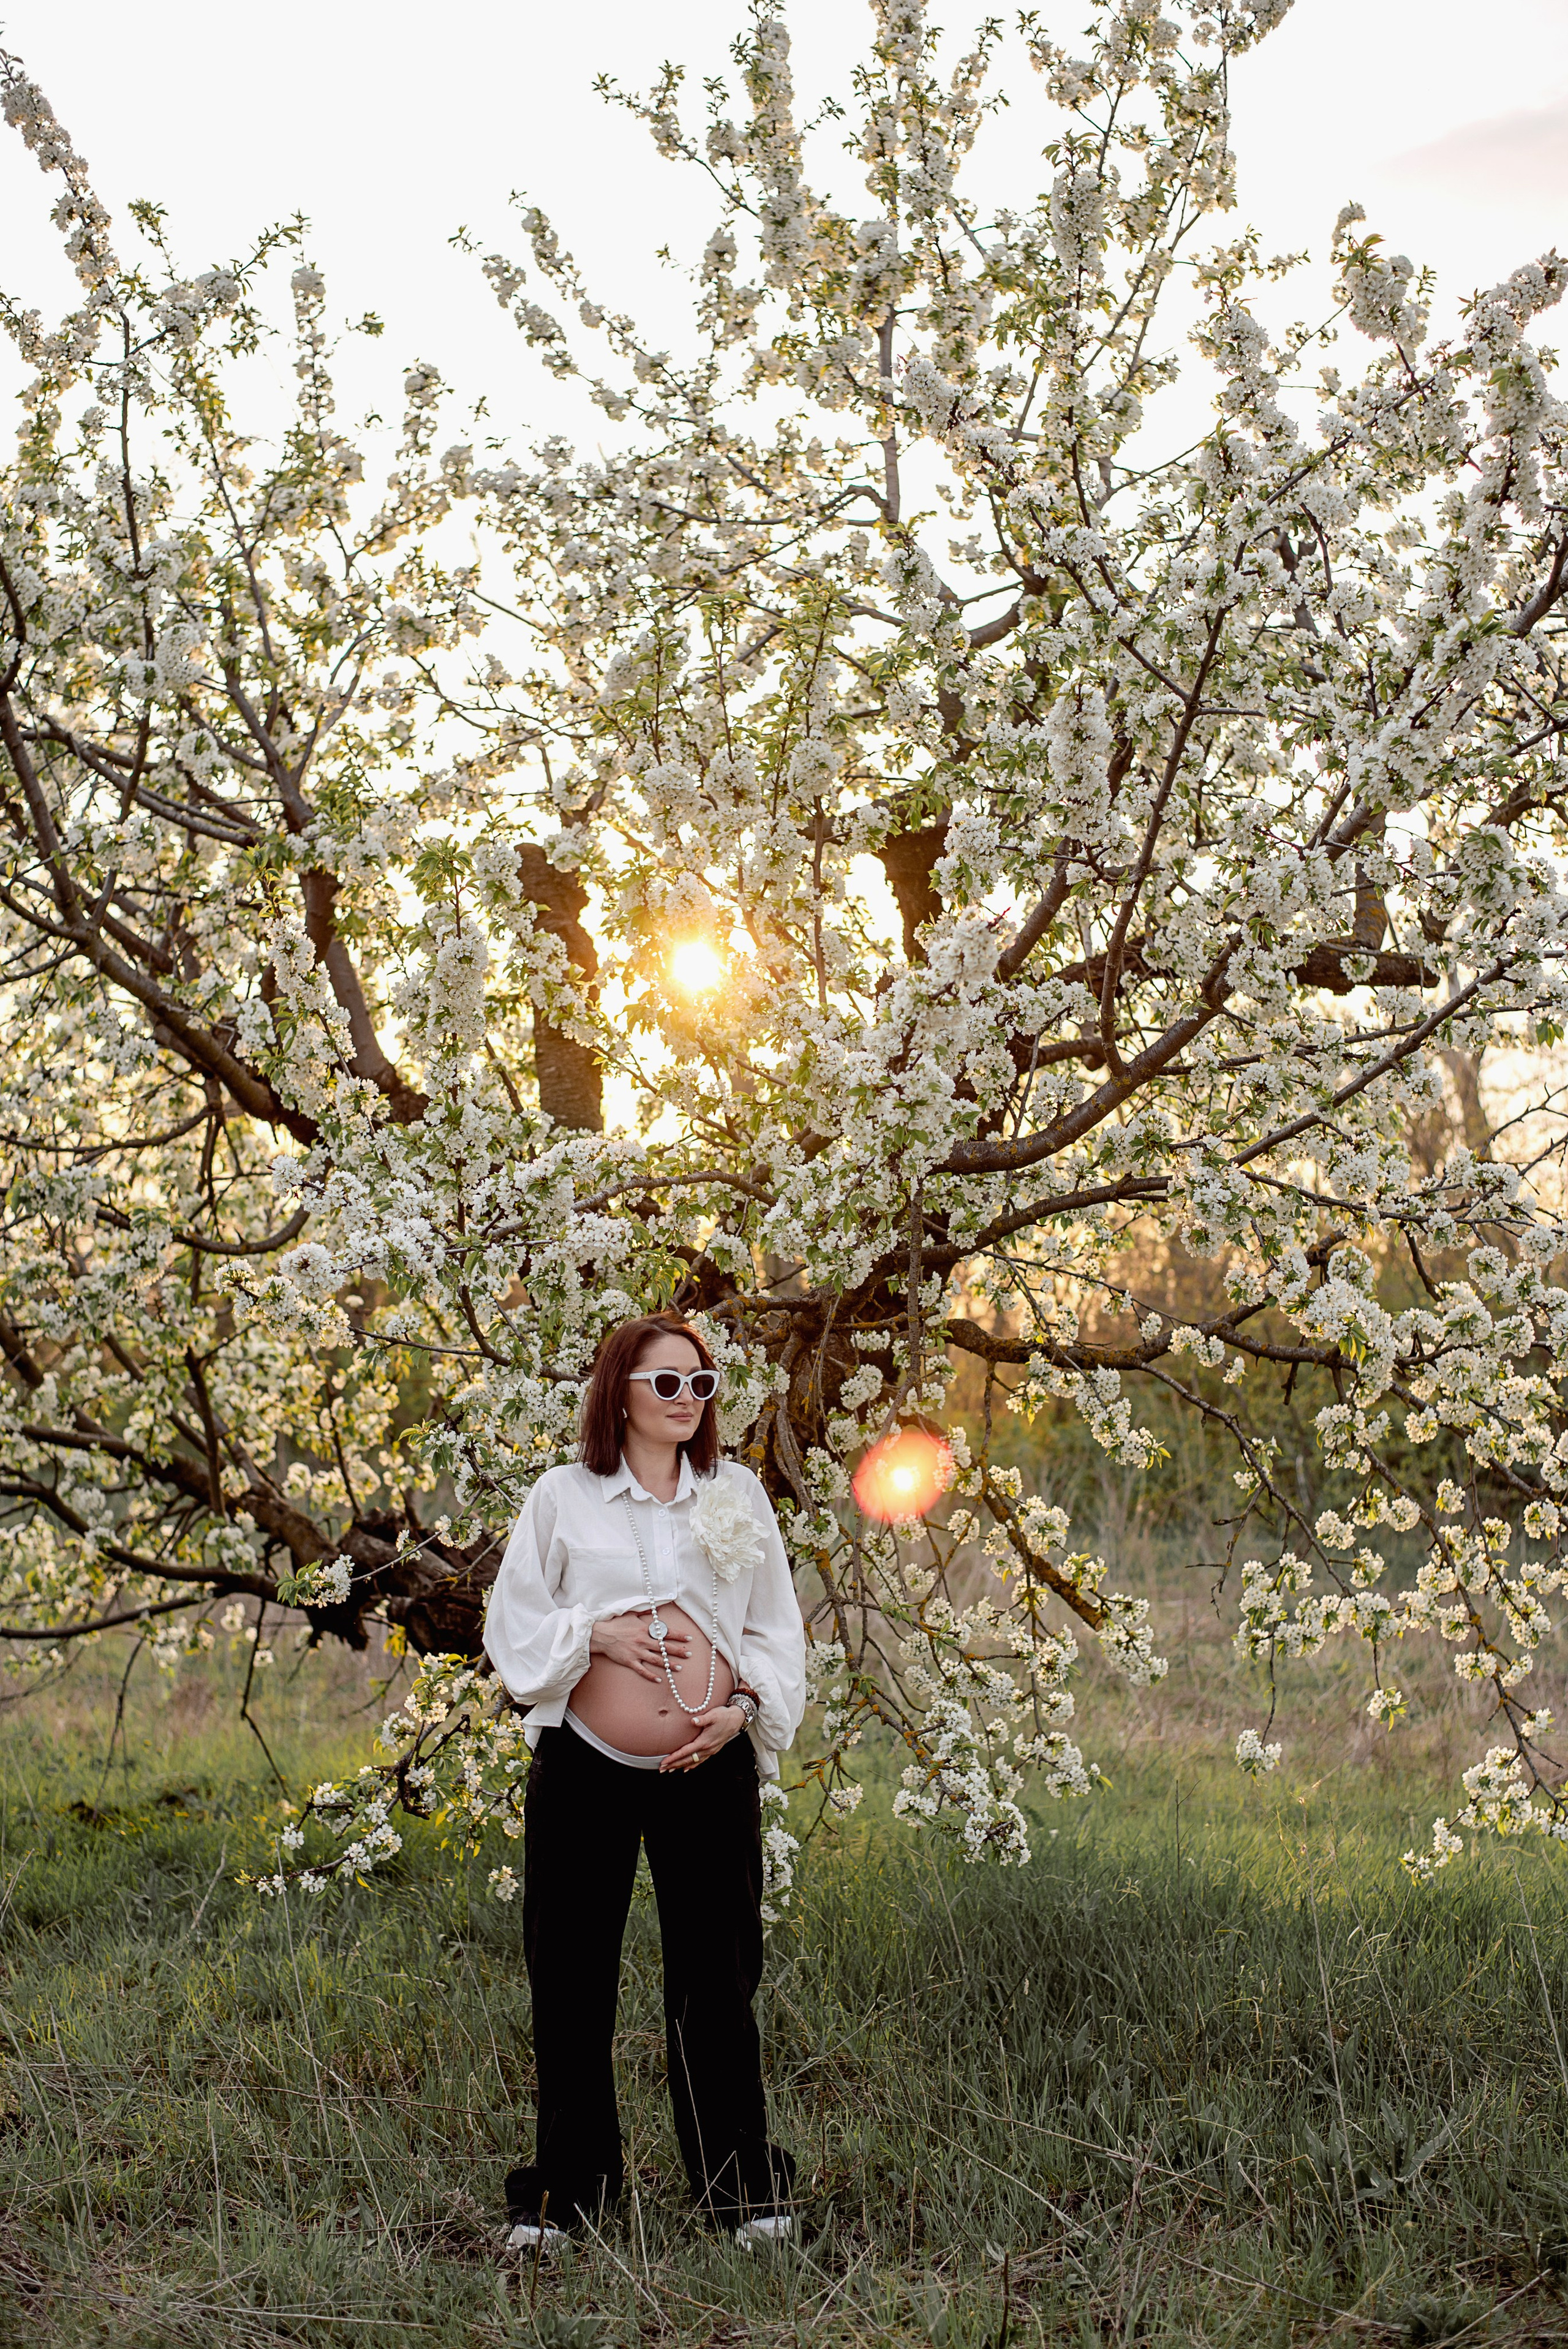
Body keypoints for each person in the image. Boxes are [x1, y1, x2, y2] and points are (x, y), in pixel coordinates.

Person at [483, 1311, 807, 2251]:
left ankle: (740, 2189)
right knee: (571, 1977)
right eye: (666, 1382)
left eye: (700, 1384)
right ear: (618, 1393)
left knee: (718, 1978)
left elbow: (774, 1624)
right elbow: (513, 1624)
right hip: (586, 1765)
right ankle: (567, 2193)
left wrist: (742, 1708)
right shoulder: (563, 1496)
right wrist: (593, 1636)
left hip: (708, 1764)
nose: (686, 1399)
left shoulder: (735, 1493)